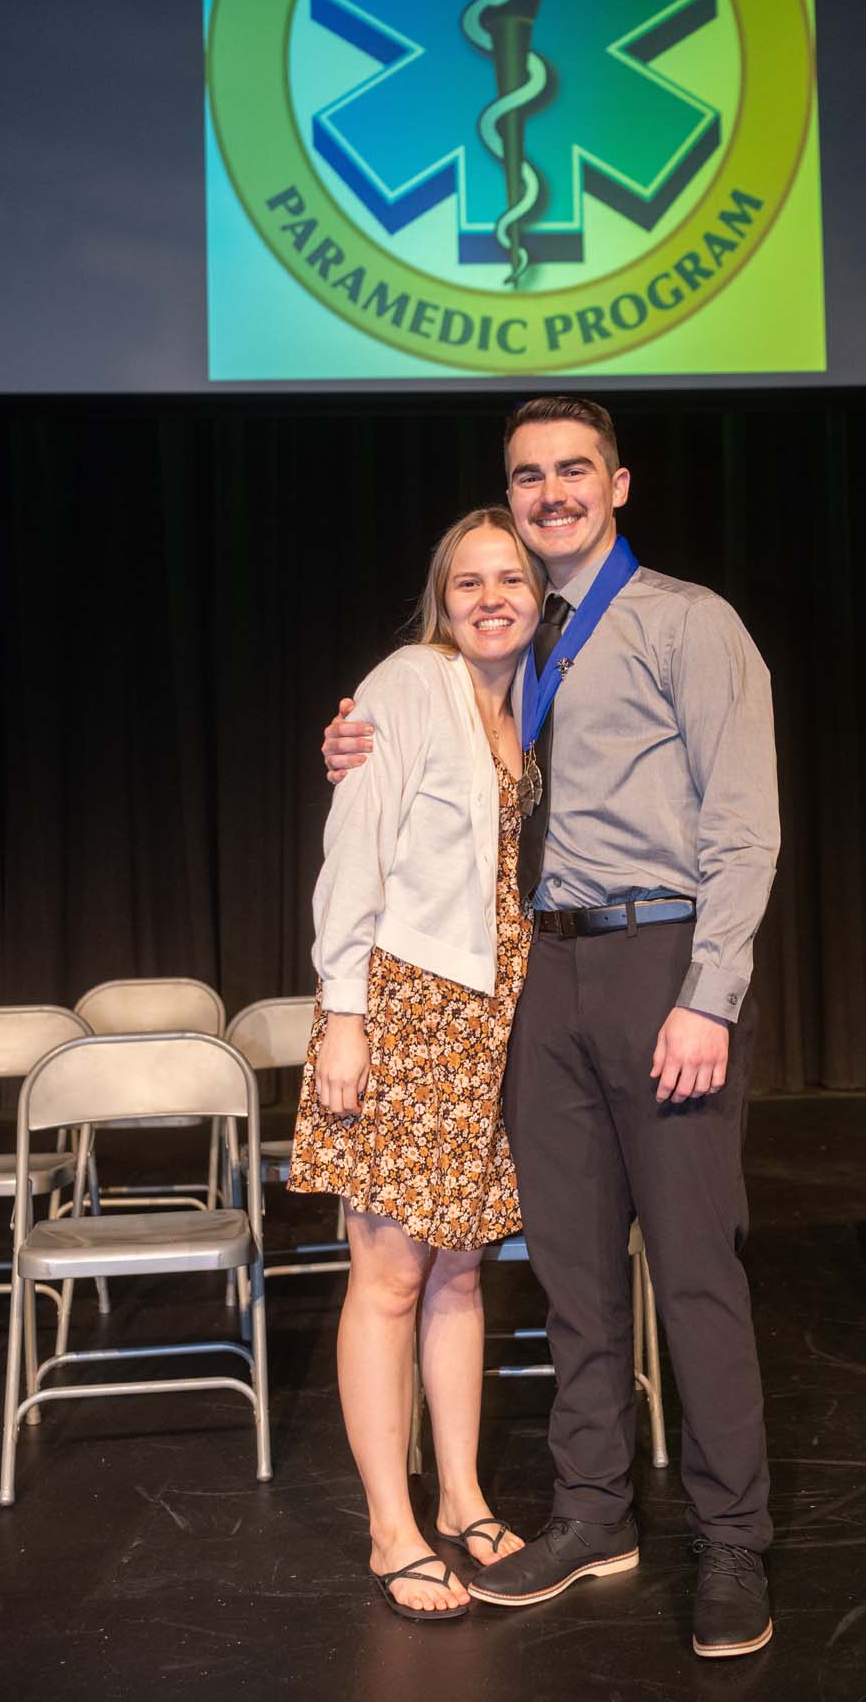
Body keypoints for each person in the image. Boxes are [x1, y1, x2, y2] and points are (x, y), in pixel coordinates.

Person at [323, 397, 781, 1658]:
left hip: (659, 966)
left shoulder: (691, 622)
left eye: (574, 469)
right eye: (528, 475)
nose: (551, 490)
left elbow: (745, 828)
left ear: (619, 482)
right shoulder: (508, 656)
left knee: (692, 1274)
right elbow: (422, 767)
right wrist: (353, 740)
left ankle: (734, 1544)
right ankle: (594, 1515)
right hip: (542, 983)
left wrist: (710, 993)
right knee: (571, 1283)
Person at [289, 506, 543, 1622]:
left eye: (513, 581)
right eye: (470, 581)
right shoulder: (406, 683)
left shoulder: (535, 702)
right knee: (388, 1275)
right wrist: (343, 1011)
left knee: (458, 1271)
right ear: (442, 599)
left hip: (491, 1020)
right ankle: (393, 1525)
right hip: (401, 1005)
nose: (492, 598)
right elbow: (355, 849)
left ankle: (463, 1495)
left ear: (540, 599)